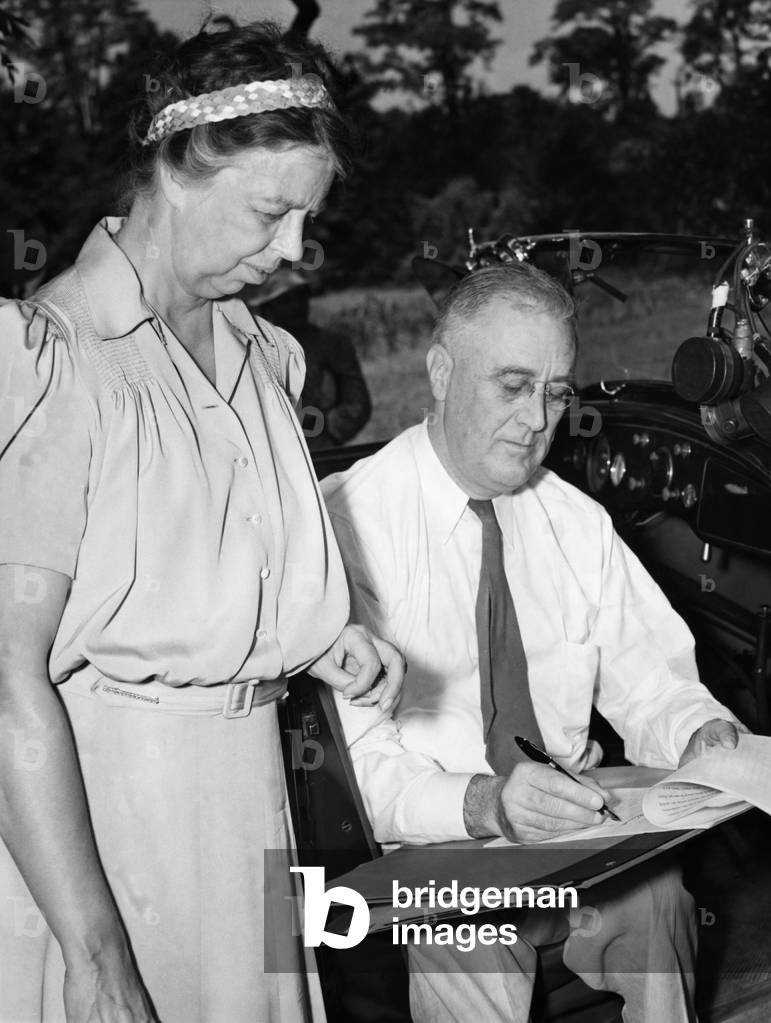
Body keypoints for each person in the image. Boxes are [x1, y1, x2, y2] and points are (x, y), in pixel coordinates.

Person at [0, 21, 404, 1023]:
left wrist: (309, 636)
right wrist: (96, 957)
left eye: (307, 219)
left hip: (251, 807)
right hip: (109, 834)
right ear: (180, 171)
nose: (294, 250)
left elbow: (182, 572)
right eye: (271, 212)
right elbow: (7, 679)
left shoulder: (264, 358)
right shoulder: (58, 360)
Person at [321, 263, 744, 1023]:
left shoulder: (575, 522)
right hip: (433, 840)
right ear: (441, 371)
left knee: (659, 897)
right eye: (512, 386)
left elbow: (653, 683)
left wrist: (699, 731)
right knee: (463, 935)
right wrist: (487, 805)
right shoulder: (347, 527)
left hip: (572, 832)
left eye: (555, 393)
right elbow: (357, 773)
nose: (535, 419)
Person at [250, 269, 372, 448]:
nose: (296, 305)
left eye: (301, 296)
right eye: (285, 300)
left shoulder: (333, 344)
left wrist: (327, 430)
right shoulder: (253, 352)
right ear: (268, 308)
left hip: (323, 447)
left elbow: (357, 403)